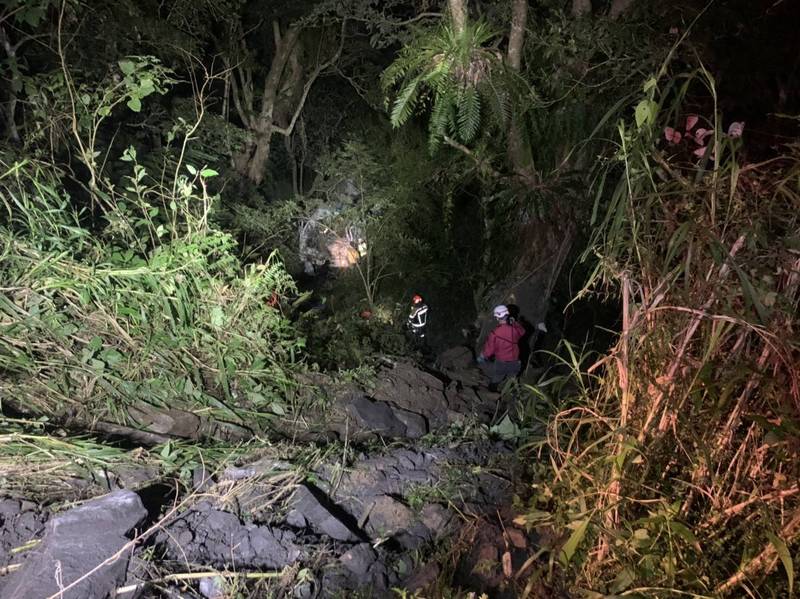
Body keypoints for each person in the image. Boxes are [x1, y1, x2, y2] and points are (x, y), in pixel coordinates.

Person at [477, 304, 525, 392]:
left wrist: (482, 356)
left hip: (501, 362)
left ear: (497, 317)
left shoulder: (494, 333)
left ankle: (492, 392)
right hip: (515, 361)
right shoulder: (515, 329)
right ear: (507, 315)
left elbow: (489, 349)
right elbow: (522, 331)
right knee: (513, 379)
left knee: (497, 377)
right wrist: (514, 323)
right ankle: (514, 395)